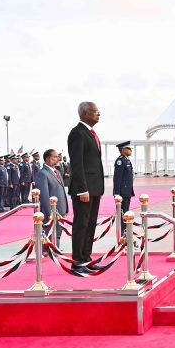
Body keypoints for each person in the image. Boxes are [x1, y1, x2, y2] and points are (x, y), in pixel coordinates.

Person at [68, 101, 104, 274]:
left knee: (90, 225)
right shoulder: (77, 133)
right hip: (84, 190)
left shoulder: (91, 133)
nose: (99, 114)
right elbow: (77, 164)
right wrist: (83, 189)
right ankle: (77, 262)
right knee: (81, 225)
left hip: (94, 189)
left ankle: (86, 258)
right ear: (85, 113)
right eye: (96, 111)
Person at [35, 149, 68, 249]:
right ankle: (47, 249)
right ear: (48, 159)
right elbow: (44, 194)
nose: (57, 159)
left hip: (60, 209)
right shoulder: (43, 173)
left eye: (57, 157)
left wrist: (66, 208)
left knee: (58, 231)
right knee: (49, 231)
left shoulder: (56, 171)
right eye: (55, 157)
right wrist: (49, 211)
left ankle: (56, 247)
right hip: (51, 211)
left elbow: (61, 189)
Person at [113, 141, 134, 236]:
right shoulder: (120, 161)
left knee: (126, 212)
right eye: (128, 149)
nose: (130, 150)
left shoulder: (127, 160)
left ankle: (126, 232)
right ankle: (123, 234)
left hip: (127, 191)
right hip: (122, 193)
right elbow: (117, 178)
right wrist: (116, 193)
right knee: (123, 214)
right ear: (123, 150)